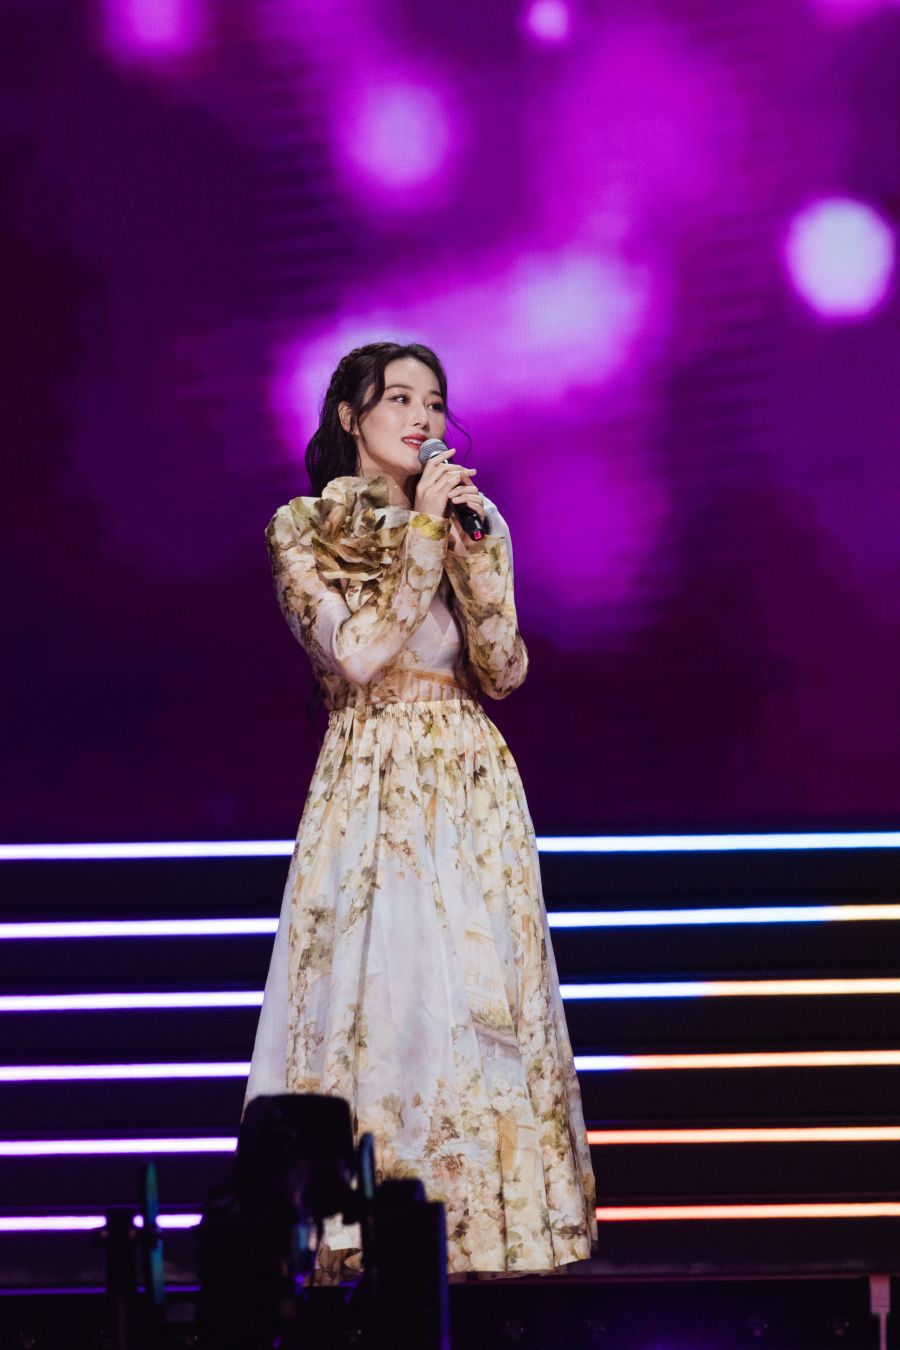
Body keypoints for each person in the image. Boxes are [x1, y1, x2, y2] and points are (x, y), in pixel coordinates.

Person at [245, 341, 597, 1281]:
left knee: (479, 1002)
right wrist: (425, 541)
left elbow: (504, 670)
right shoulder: (303, 530)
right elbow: (358, 655)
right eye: (397, 398)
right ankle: (365, 1231)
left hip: (470, 780)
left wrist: (475, 558)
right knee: (389, 995)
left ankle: (489, 1228)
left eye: (434, 402)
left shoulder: (474, 520)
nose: (422, 418)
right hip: (373, 776)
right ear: (350, 417)